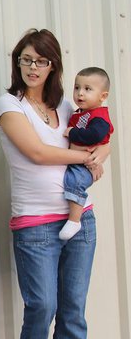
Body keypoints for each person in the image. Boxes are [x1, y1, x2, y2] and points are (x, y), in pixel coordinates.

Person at [0, 29, 109, 339]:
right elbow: (38, 153)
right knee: (42, 305)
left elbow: (104, 137)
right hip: (35, 223)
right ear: (17, 63)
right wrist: (86, 159)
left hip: (80, 219)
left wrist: (99, 158)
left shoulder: (67, 106)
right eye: (26, 59)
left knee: (73, 307)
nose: (32, 67)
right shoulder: (9, 106)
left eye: (41, 60)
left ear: (53, 65)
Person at [59, 67, 113, 241]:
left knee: (74, 182)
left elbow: (95, 136)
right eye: (77, 88)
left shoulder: (99, 116)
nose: (80, 93)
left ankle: (75, 220)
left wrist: (72, 133)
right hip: (85, 161)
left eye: (87, 89)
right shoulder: (81, 113)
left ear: (102, 96)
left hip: (84, 164)